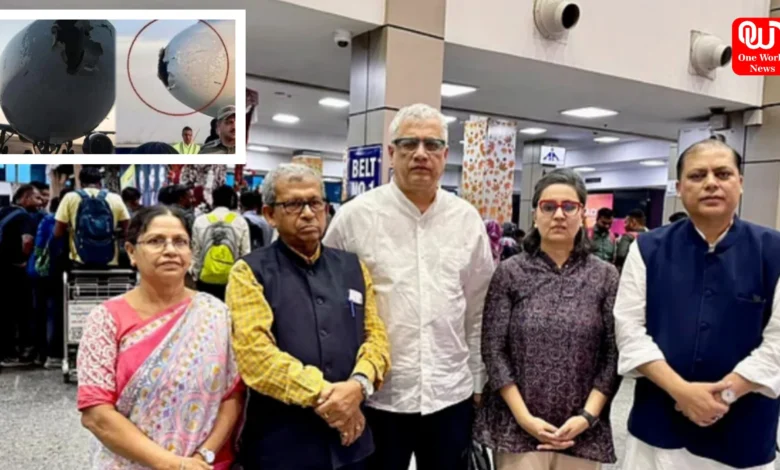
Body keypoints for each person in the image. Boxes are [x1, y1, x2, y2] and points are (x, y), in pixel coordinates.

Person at [323, 103, 495, 470]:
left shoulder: (465, 220)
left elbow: (479, 307)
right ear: (391, 153)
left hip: (450, 393)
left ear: (446, 155)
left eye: (432, 145)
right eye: (408, 144)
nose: (421, 154)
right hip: (378, 396)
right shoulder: (354, 218)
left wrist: (479, 380)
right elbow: (329, 303)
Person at [614, 138, 780, 470]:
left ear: (740, 183)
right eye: (697, 175)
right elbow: (629, 331)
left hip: (742, 430)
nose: (711, 184)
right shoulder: (648, 248)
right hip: (658, 425)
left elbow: (778, 343)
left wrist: (724, 396)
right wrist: (682, 393)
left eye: (722, 173)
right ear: (679, 187)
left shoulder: (772, 250)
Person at [225, 163, 391, 469]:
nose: (307, 213)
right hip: (283, 443)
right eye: (292, 204)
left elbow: (376, 337)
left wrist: (358, 385)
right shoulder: (250, 272)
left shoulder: (352, 267)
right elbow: (256, 357)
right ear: (269, 214)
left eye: (315, 202)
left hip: (350, 442)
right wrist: (332, 398)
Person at [474, 169, 620, 470]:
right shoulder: (510, 273)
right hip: (518, 424)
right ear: (535, 214)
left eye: (569, 207)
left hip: (582, 429)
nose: (559, 215)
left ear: (582, 214)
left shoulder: (605, 276)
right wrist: (524, 418)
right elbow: (493, 349)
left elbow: (612, 354)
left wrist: (587, 417)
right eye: (548, 206)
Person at [78, 205, 244, 470]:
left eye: (180, 242)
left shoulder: (216, 313)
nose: (170, 250)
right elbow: (96, 414)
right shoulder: (106, 319)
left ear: (191, 253)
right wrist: (173, 465)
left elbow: (232, 395)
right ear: (131, 252)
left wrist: (203, 457)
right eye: (156, 241)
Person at [54, 167, 131, 269]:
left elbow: (58, 232)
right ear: (100, 182)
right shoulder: (115, 198)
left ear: (81, 183)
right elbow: (127, 229)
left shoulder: (70, 197)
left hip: (79, 259)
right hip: (110, 258)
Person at [0, 184, 43, 367]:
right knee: (21, 309)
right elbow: (27, 241)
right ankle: (21, 350)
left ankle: (5, 351)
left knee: (4, 310)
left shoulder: (3, 211)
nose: (40, 202)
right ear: (25, 198)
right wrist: (25, 259)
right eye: (37, 198)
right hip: (15, 269)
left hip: (1, 267)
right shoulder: (24, 216)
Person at [191, 184, 250, 300]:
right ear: (232, 199)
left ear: (213, 199)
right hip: (230, 280)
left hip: (205, 278)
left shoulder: (200, 221)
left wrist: (196, 275)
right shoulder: (240, 222)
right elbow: (246, 254)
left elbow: (196, 252)